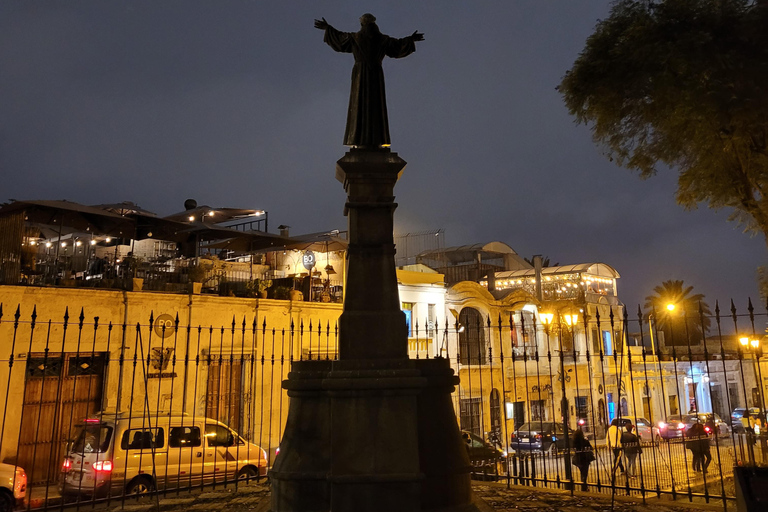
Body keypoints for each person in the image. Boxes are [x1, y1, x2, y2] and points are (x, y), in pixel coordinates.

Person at [314, 14, 424, 148]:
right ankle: (377, 140)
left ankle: (358, 139)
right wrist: (411, 39)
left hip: (360, 75)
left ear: (362, 25)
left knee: (359, 104)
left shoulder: (355, 38)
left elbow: (340, 39)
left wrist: (328, 28)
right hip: (375, 75)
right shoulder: (382, 39)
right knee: (375, 105)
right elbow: (397, 46)